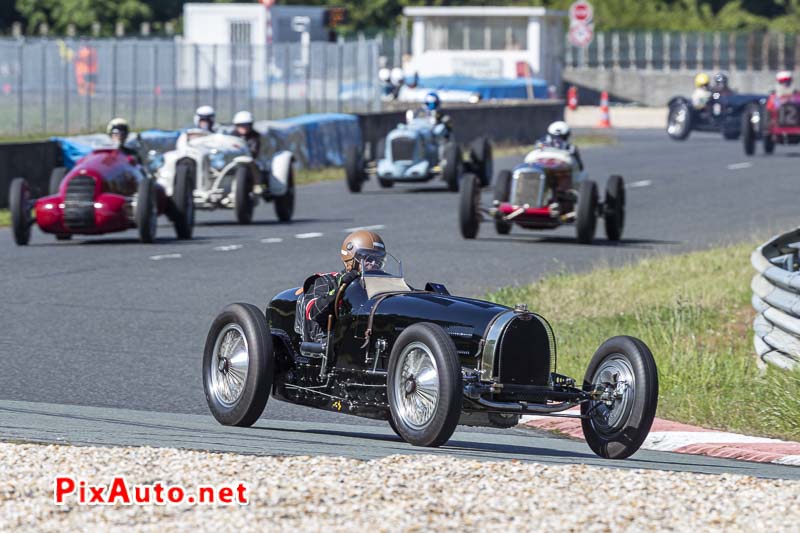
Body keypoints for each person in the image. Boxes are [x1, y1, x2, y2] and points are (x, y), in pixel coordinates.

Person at [298, 230, 386, 343]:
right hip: (332, 340)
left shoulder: (384, 285)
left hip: (370, 335)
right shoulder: (326, 280)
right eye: (368, 259)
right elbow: (313, 312)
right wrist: (342, 288)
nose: (374, 263)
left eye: (378, 260)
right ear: (350, 260)